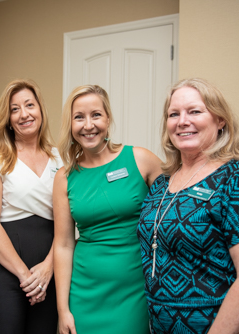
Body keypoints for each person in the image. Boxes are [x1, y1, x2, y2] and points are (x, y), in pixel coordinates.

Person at [137, 78, 239, 333]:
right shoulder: (162, 184)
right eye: (174, 114)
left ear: (220, 120)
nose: (182, 121)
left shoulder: (238, 178)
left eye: (194, 111)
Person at [53, 85, 162, 334]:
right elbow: (63, 245)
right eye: (79, 117)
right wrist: (62, 310)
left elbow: (177, 208)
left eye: (96, 115)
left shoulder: (140, 159)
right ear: (70, 124)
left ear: (108, 118)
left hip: (135, 289)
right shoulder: (64, 177)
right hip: (85, 289)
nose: (88, 125)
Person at [0, 79, 62, 333]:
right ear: (8, 118)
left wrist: (48, 268)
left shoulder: (59, 157)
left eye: (29, 105)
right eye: (15, 109)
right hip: (5, 270)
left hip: (49, 271)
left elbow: (67, 222)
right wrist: (25, 276)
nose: (24, 114)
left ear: (40, 110)